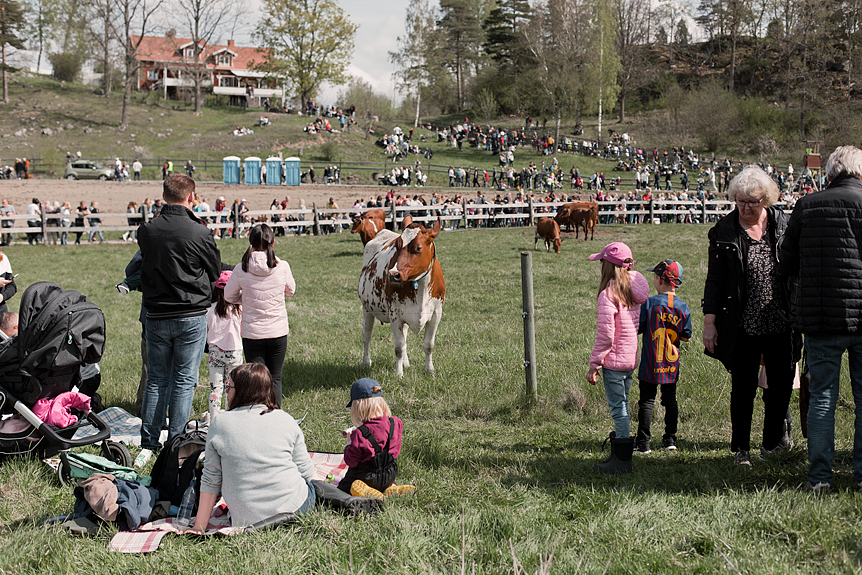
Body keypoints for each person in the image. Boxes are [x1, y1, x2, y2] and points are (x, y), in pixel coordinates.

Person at [779, 145, 862, 493]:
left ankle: (820, 479)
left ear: (829, 172)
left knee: (823, 398)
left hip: (821, 317)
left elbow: (786, 262)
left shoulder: (807, 205)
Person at [702, 166, 797, 467]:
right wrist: (710, 321)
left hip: (780, 321)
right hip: (741, 323)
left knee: (780, 387)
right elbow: (714, 280)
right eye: (740, 201)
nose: (745, 207)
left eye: (752, 202)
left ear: (765, 199)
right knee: (742, 389)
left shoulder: (783, 225)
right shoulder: (724, 231)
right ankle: (740, 448)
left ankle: (771, 445)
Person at [136, 174, 221, 466]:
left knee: (157, 380)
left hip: (157, 312)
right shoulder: (199, 232)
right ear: (191, 198)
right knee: (184, 381)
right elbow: (213, 270)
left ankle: (148, 443)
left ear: (163, 196)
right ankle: (175, 443)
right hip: (190, 313)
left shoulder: (146, 231)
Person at [191, 363, 315, 531]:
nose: (226, 392)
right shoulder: (286, 420)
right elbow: (307, 473)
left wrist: (199, 527)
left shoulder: (219, 424)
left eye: (229, 387)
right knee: (316, 488)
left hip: (246, 519)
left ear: (243, 390)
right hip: (295, 510)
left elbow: (211, 479)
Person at [586, 242, 649, 474]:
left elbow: (606, 335)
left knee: (618, 409)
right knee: (622, 404)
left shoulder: (608, 294)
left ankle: (622, 460)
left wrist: (595, 364)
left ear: (608, 267)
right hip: (630, 358)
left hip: (614, 361)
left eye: (602, 262)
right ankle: (618, 452)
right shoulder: (633, 292)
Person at [224, 224, 295, 407]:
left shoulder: (242, 268)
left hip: (252, 333)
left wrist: (246, 298)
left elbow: (228, 295)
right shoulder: (282, 266)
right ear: (273, 242)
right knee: (275, 378)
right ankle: (276, 415)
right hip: (277, 331)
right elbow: (290, 291)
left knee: (256, 381)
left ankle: (258, 415)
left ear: (250, 243)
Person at [634, 260, 692, 454]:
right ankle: (670, 439)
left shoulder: (649, 304)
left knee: (647, 401)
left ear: (659, 279)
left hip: (651, 363)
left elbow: (639, 328)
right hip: (671, 365)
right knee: (670, 400)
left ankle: (643, 443)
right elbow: (686, 337)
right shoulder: (683, 308)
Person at [339, 378, 415, 500]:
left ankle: (367, 491)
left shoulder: (359, 434)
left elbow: (351, 462)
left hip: (367, 477)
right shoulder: (396, 423)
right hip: (389, 474)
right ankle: (390, 488)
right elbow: (395, 452)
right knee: (384, 478)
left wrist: (349, 445)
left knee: (348, 486)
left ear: (358, 407)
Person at [206, 270, 243, 422]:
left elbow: (207, 330)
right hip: (234, 351)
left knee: (216, 387)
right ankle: (230, 416)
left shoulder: (209, 309)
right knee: (232, 386)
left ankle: (214, 418)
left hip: (215, 352)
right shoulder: (239, 309)